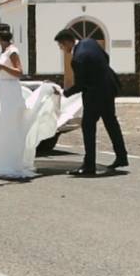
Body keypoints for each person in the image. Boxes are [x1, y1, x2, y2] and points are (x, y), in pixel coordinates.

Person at [55, 29, 128, 176]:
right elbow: (105, 58)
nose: (62, 49)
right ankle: (121, 156)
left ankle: (89, 165)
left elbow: (81, 84)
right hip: (109, 87)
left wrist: (65, 93)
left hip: (94, 94)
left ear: (67, 42)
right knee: (111, 122)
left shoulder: (77, 59)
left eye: (61, 46)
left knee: (88, 127)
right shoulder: (90, 42)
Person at [0, 25, 34, 180]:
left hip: (12, 92)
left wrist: (1, 67)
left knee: (9, 127)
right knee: (1, 127)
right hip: (4, 91)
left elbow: (19, 72)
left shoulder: (12, 51)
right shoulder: (4, 51)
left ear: (0, 38)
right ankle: (1, 163)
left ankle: (11, 164)